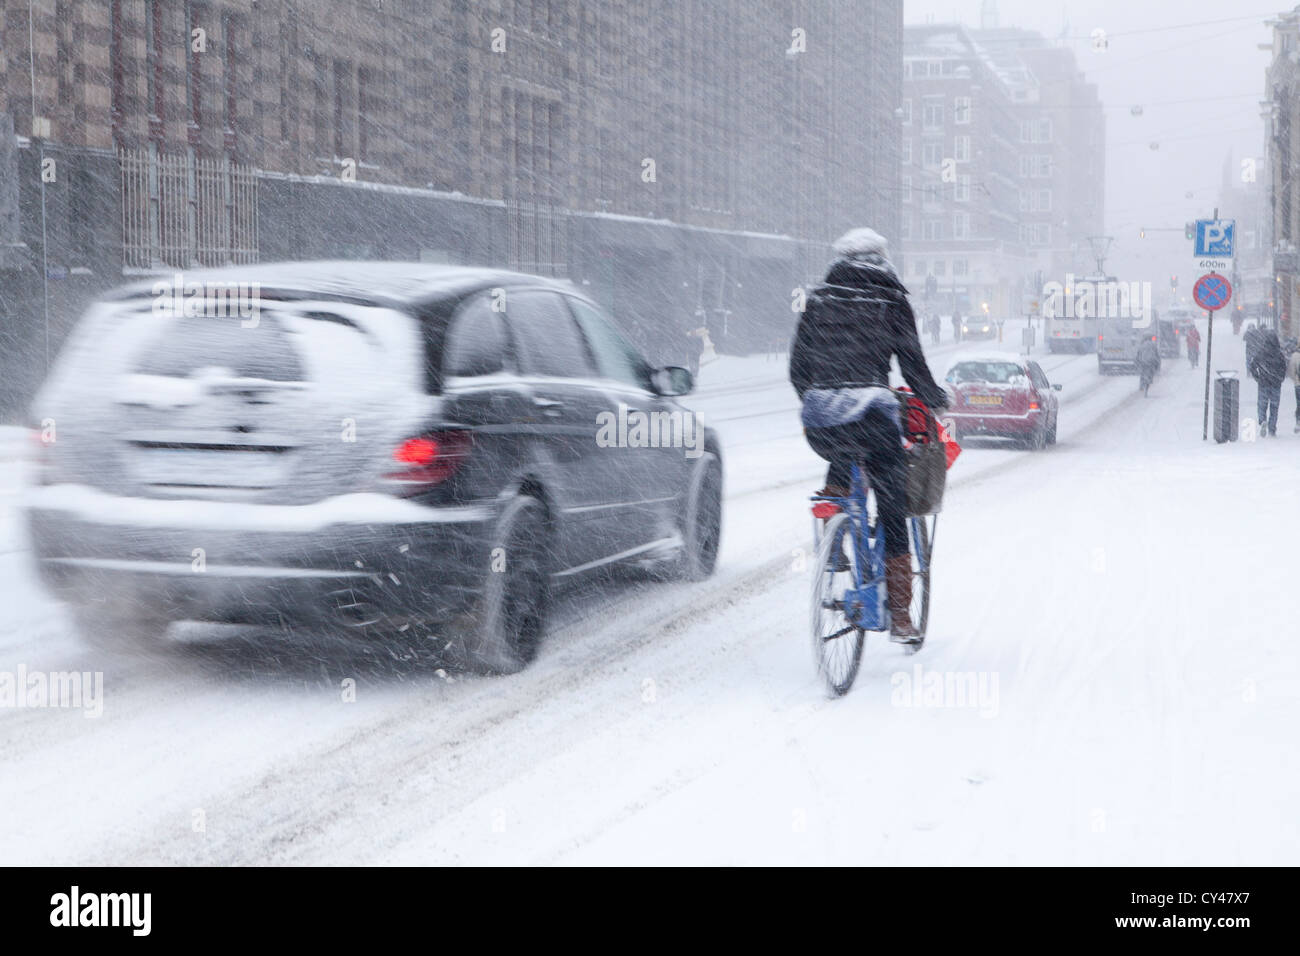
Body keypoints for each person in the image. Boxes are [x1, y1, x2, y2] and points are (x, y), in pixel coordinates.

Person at [790, 228, 949, 642]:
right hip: (874, 418)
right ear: (881, 259)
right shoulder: (891, 299)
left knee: (842, 447)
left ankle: (833, 529)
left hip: (822, 422)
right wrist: (933, 400)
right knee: (893, 504)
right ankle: (899, 616)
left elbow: (798, 366)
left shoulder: (819, 299)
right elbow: (912, 365)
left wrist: (815, 398)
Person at [1249, 329, 1287, 436]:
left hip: (1263, 383)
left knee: (1262, 404)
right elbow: (1283, 368)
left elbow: (1252, 366)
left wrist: (1258, 377)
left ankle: (1262, 420)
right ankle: (1272, 428)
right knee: (1274, 407)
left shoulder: (1261, 352)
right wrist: (1280, 378)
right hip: (1275, 384)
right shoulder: (1279, 354)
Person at [1288, 341, 1300, 434]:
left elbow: (1291, 371)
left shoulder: (1295, 355)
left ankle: (1298, 422)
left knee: (1299, 404)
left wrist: (1295, 380)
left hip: (1298, 384)